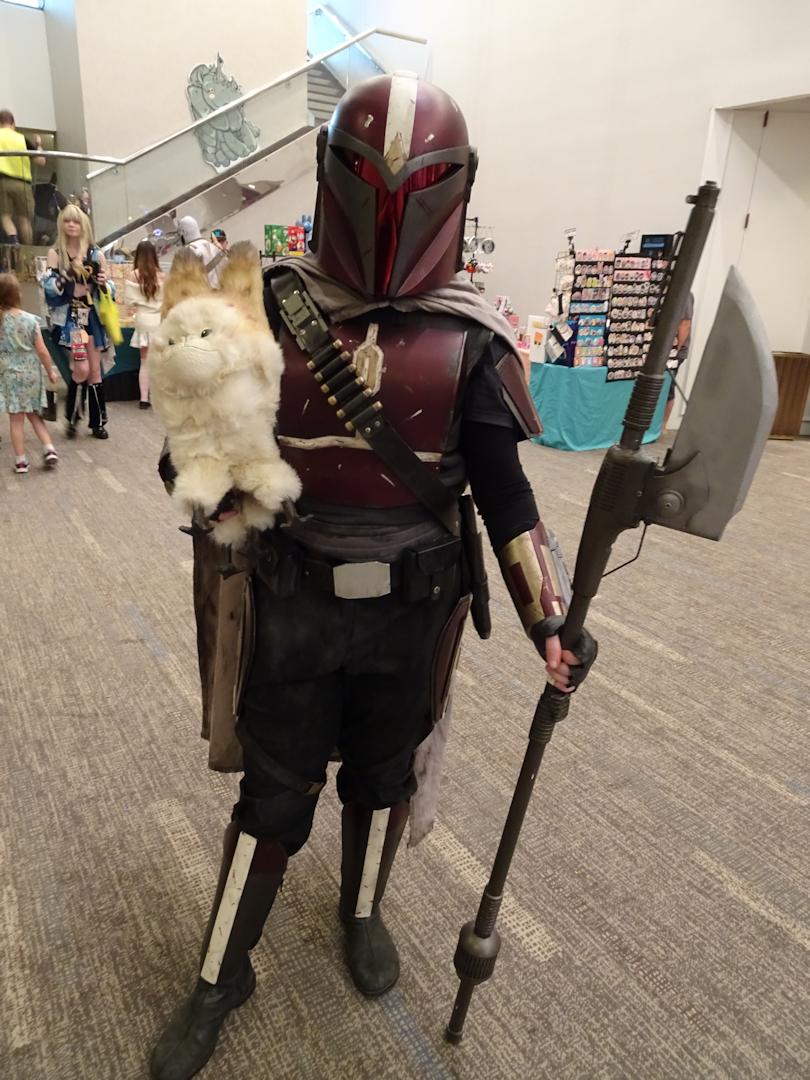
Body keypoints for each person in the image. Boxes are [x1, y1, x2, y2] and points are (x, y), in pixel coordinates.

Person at [149, 74, 597, 1080]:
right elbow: (197, 448)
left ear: (455, 187)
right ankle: (222, 975)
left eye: (418, 185)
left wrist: (550, 618)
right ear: (333, 177)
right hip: (293, 602)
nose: (392, 211)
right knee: (274, 797)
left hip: (414, 611)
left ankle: (360, 911)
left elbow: (505, 495)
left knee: (383, 778)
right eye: (370, 180)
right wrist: (203, 472)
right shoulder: (270, 309)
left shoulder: (472, 339)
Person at [43, 205, 114, 440]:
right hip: (71, 318)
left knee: (94, 370)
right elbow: (49, 289)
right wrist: (68, 276)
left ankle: (97, 423)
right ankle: (72, 417)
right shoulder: (56, 253)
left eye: (76, 221)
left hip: (92, 316)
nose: (71, 225)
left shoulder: (96, 253)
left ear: (84, 225)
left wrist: (103, 282)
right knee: (81, 368)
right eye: (67, 221)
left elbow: (109, 290)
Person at [0, 272, 59, 472]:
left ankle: (21, 462)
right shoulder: (30, 320)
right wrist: (50, 372)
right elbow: (42, 351)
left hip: (8, 376)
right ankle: (49, 449)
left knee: (16, 420)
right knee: (35, 414)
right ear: (17, 294)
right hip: (31, 375)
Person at [125, 239, 165, 409]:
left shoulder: (132, 275)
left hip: (143, 320)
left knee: (145, 362)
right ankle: (160, 398)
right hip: (160, 322)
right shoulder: (162, 275)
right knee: (161, 361)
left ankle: (143, 399)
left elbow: (129, 302)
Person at [0, 110, 45, 245]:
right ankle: (29, 248)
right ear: (14, 124)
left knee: (5, 215)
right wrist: (38, 144)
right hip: (23, 183)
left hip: (3, 182)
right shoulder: (22, 139)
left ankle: (14, 240)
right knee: (24, 219)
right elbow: (41, 160)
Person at [663, 290, 693, 429]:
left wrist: (676, 350)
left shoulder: (684, 293)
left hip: (674, 352)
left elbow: (685, 323)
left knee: (668, 388)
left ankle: (663, 426)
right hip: (661, 350)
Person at [176, 216, 226, 287]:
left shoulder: (187, 252)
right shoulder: (215, 247)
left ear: (184, 232)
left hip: (206, 293)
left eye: (180, 235)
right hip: (226, 291)